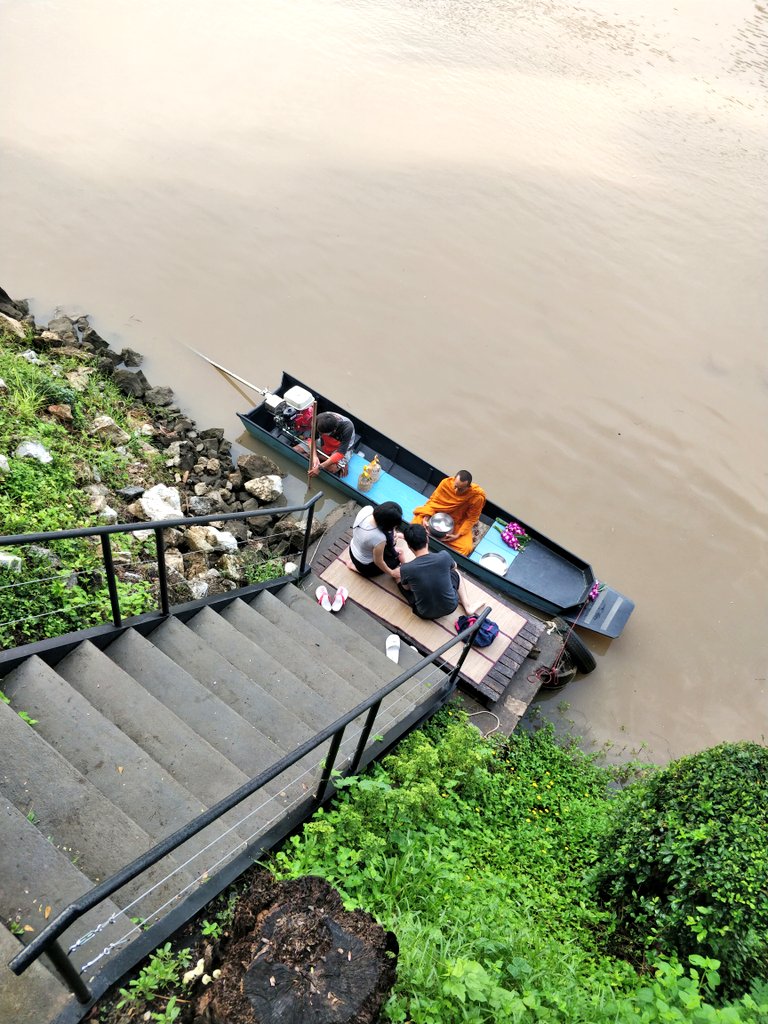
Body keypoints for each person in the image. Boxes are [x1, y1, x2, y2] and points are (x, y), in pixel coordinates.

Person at [396, 523, 480, 620]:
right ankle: (468, 606)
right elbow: (454, 567)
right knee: (455, 573)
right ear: (427, 539)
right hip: (451, 607)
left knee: (398, 578)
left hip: (424, 613)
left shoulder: (406, 568)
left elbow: (407, 588)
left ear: (409, 546)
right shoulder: (443, 556)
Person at [411, 470, 486, 556]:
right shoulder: (445, 483)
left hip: (457, 523)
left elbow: (471, 518)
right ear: (454, 480)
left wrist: (457, 535)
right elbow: (433, 501)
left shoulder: (476, 497)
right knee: (415, 523)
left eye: (460, 489)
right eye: (455, 486)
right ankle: (438, 545)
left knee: (465, 548)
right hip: (436, 513)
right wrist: (427, 517)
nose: (456, 491)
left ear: (468, 487)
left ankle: (439, 553)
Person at [348, 501, 404, 579]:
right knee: (397, 558)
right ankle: (354, 567)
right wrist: (392, 573)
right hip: (364, 565)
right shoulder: (379, 538)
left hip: (352, 550)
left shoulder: (367, 509)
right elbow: (378, 562)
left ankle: (353, 563)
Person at [293, 411, 355, 477]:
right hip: (324, 442)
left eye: (323, 433)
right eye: (320, 433)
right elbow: (312, 439)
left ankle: (315, 456)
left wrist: (320, 467)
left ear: (334, 430)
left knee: (332, 468)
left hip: (340, 449)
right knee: (295, 450)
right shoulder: (319, 420)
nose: (321, 434)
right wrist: (314, 457)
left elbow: (340, 453)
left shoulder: (348, 427)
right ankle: (317, 457)